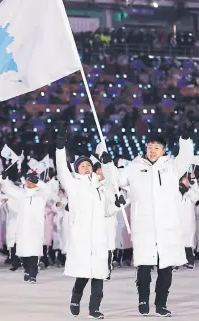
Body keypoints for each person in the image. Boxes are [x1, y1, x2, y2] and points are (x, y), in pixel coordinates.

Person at [102, 127, 194, 317]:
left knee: (165, 266)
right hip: (144, 225)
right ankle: (143, 300)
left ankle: (161, 303)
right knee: (144, 265)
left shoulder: (172, 166)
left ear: (164, 150)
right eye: (150, 147)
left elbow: (185, 158)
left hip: (167, 226)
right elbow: (118, 180)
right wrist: (107, 164)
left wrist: (185, 139)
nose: (152, 151)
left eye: (157, 148)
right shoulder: (135, 166)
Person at [56, 127, 115, 320]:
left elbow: (108, 210)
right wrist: (59, 149)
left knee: (99, 273)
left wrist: (118, 204)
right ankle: (76, 296)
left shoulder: (101, 187)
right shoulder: (73, 185)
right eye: (83, 166)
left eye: (89, 165)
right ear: (77, 170)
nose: (87, 167)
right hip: (81, 236)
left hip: (98, 236)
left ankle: (94, 308)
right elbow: (62, 170)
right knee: (83, 273)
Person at [0, 170, 52, 283]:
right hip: (23, 227)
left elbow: (49, 191)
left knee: (34, 252)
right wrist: (4, 179)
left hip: (36, 228)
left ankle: (33, 274)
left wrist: (39, 182)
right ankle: (27, 269)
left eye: (31, 181)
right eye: (28, 181)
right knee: (24, 252)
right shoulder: (22, 194)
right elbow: (9, 190)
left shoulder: (41, 195)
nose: (29, 183)